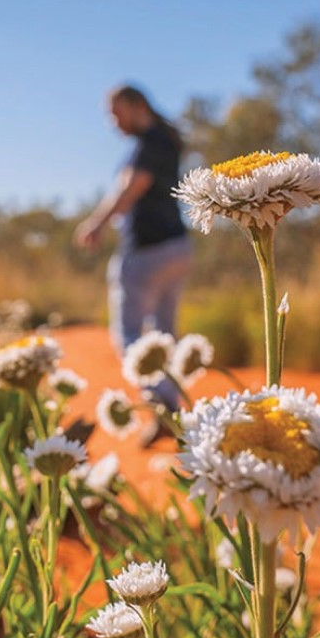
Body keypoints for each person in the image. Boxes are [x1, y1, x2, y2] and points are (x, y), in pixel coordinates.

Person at [74, 84, 193, 411]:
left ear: (137, 105)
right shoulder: (168, 140)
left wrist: (96, 223)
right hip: (178, 246)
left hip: (146, 251)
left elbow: (131, 187)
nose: (113, 123)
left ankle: (161, 404)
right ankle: (170, 404)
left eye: (116, 113)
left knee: (130, 334)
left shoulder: (148, 143)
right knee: (166, 333)